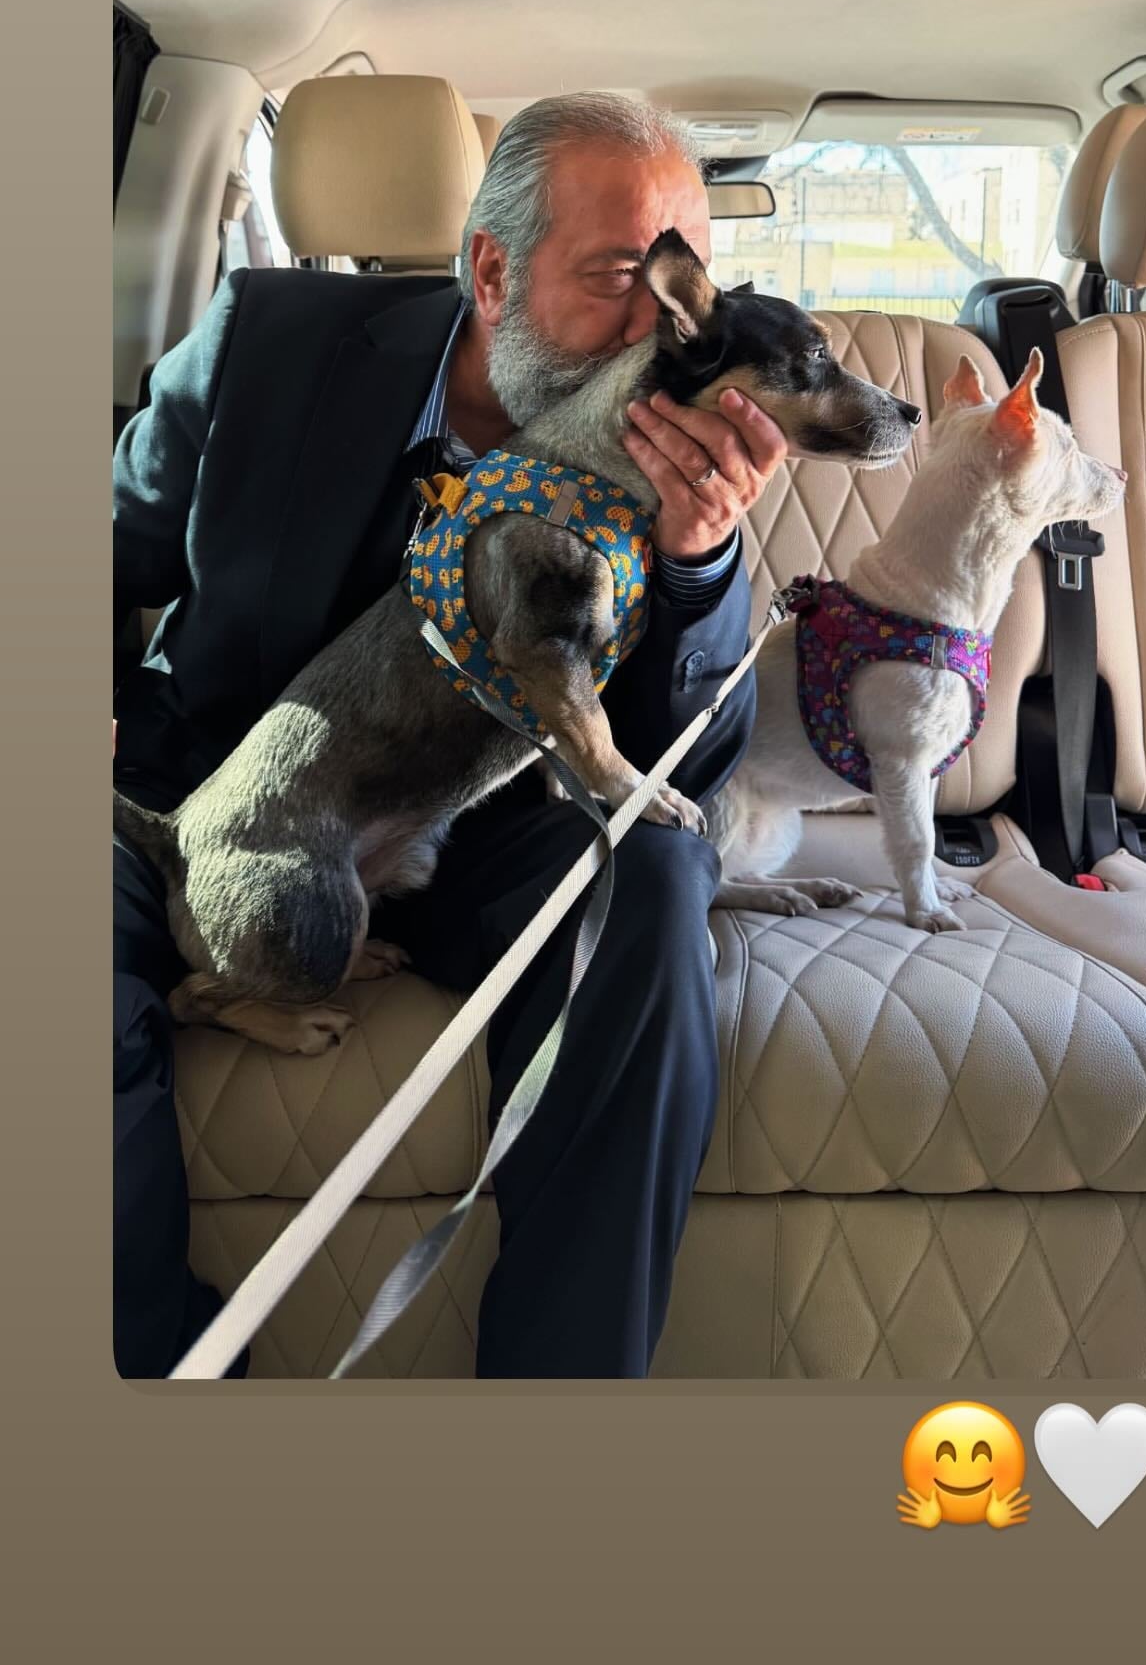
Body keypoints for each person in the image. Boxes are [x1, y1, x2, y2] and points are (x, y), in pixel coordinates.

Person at [113, 92, 791, 1378]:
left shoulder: (678, 456)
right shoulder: (267, 339)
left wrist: (697, 562)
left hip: (496, 820)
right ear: (490, 270)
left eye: (684, 290)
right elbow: (101, 544)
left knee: (652, 876)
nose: (664, 330)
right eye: (620, 280)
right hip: (222, 793)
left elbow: (680, 771)